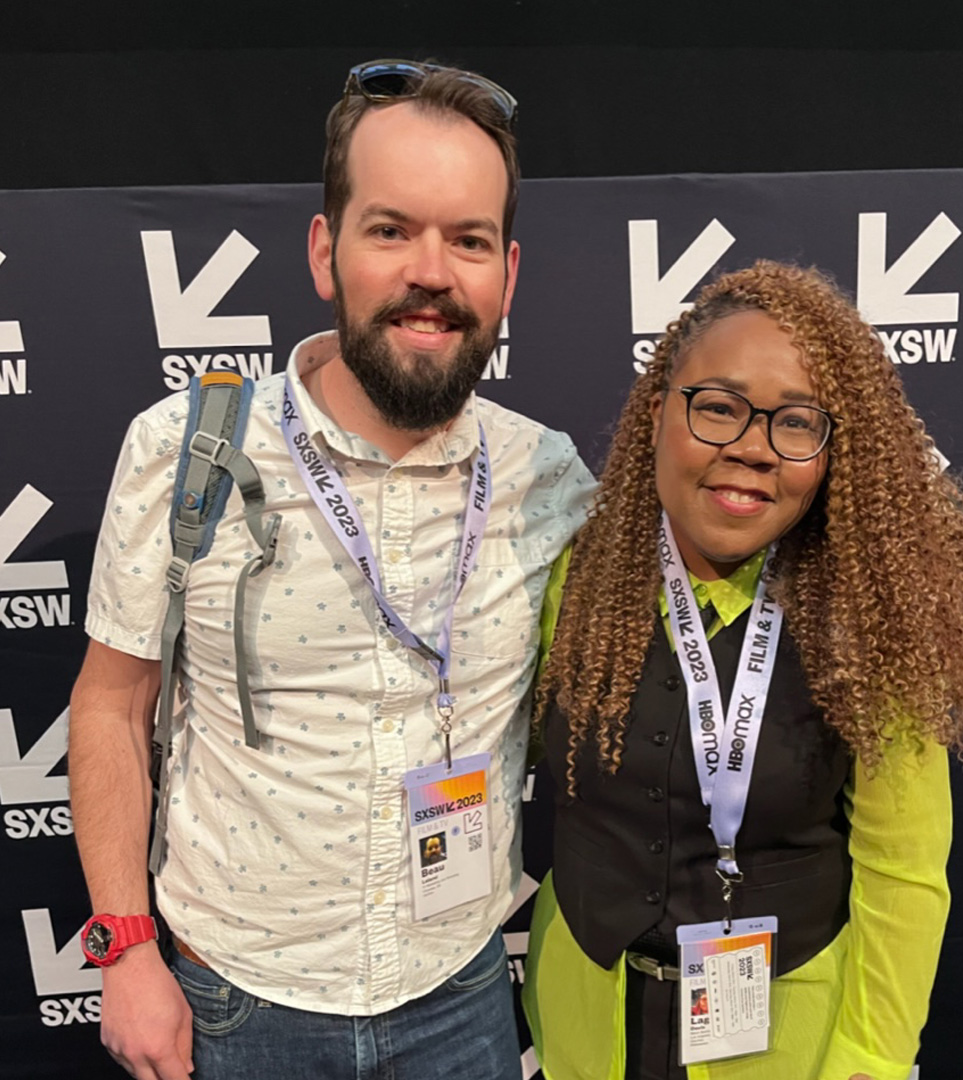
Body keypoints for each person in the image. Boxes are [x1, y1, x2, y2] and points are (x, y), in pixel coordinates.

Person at [68, 59, 594, 1080]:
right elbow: (108, 709)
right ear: (326, 250)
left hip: (464, 998)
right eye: (391, 230)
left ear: (508, 275)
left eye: (469, 241)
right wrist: (124, 949)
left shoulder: (550, 478)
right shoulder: (187, 450)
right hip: (235, 1007)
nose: (431, 272)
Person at [523, 261, 963, 1080]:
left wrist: (871, 1057)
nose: (752, 448)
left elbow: (904, 874)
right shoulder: (571, 579)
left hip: (785, 1046)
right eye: (718, 408)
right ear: (658, 417)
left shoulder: (874, 621)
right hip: (587, 1025)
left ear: (831, 451)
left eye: (795, 423)